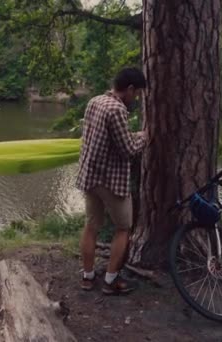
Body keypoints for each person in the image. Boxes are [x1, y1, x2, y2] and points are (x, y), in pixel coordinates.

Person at [76, 67, 148, 295]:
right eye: (135, 94)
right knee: (123, 228)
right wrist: (146, 137)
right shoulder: (117, 109)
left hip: (90, 176)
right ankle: (111, 280)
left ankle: (87, 277)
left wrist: (135, 135)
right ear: (129, 89)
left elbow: (111, 139)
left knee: (91, 225)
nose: (135, 98)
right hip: (111, 180)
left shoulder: (95, 101)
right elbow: (127, 149)